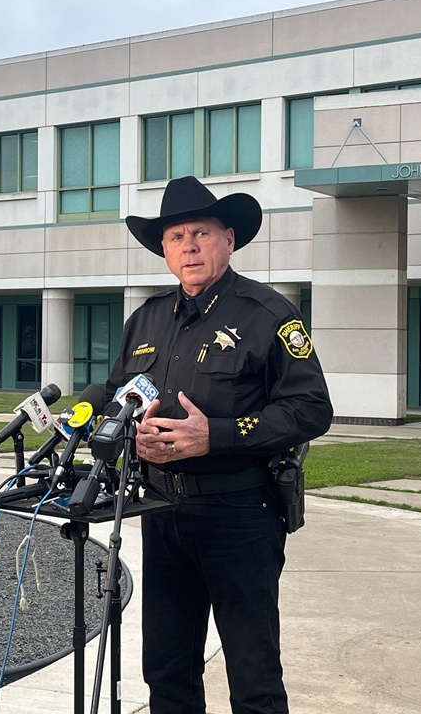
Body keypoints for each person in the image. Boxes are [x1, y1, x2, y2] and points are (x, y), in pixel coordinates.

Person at [105, 175, 333, 714]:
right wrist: (134, 439)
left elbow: (310, 409)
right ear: (163, 249)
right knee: (166, 669)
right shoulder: (146, 318)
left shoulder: (269, 315)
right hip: (161, 511)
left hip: (239, 513)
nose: (189, 246)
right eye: (176, 236)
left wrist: (217, 435)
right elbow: (119, 398)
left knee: (252, 673)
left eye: (201, 233)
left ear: (229, 239)